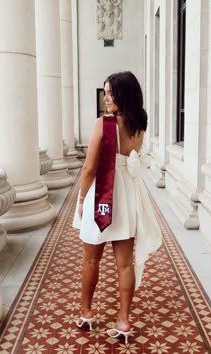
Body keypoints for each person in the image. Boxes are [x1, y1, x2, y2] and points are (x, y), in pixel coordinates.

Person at [73, 71, 162, 344]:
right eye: (105, 92)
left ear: (124, 94)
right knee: (125, 265)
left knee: (91, 259)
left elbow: (89, 169)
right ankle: (123, 321)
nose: (107, 98)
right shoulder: (140, 124)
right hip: (127, 197)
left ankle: (87, 312)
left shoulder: (103, 124)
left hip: (103, 194)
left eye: (111, 93)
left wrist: (80, 199)